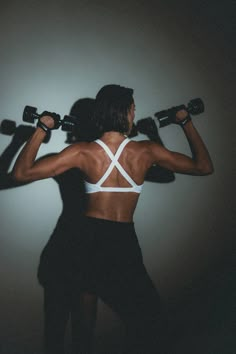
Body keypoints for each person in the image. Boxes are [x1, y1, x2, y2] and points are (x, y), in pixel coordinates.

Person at [12, 84, 213, 353]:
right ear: (126, 112)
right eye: (132, 109)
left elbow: (21, 173)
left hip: (85, 240)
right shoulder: (145, 152)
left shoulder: (82, 152)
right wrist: (185, 121)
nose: (134, 114)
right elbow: (203, 166)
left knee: (83, 328)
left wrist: (41, 128)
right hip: (122, 241)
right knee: (150, 324)